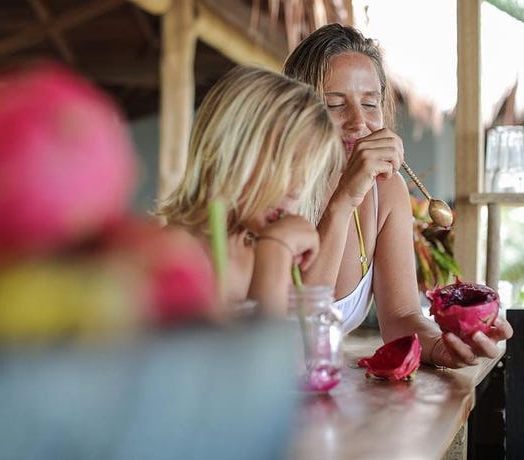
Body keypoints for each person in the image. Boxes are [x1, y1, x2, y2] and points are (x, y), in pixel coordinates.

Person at [282, 23, 512, 367]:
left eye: (371, 104)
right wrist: (346, 198)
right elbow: (296, 329)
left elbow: (402, 315)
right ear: (296, 112)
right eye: (334, 104)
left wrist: (440, 345)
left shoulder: (386, 189)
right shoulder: (273, 189)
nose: (359, 122)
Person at [156, 65, 345, 315]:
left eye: (306, 172)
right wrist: (276, 250)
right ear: (230, 150)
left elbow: (291, 349)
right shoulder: (173, 257)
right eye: (287, 163)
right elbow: (260, 352)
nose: (298, 188)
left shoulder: (255, 253)